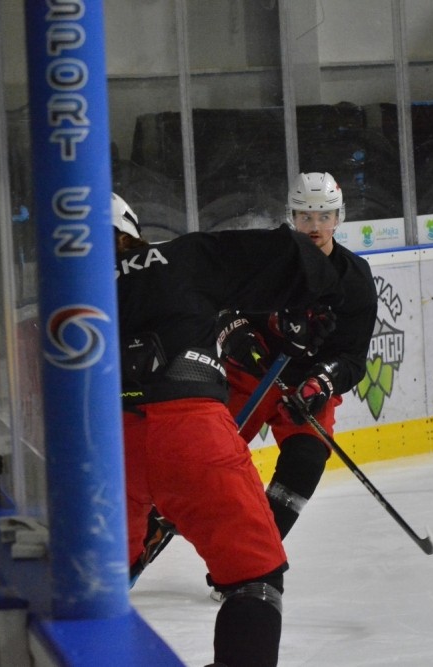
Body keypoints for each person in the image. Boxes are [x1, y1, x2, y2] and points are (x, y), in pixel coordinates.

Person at [111, 192, 340, 667]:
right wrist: (302, 309)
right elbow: (295, 255)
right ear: (132, 230)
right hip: (190, 431)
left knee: (97, 584)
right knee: (255, 577)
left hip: (105, 443)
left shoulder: (58, 291)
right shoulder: (180, 256)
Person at [223, 172, 378, 539]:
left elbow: (352, 358)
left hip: (305, 389)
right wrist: (234, 330)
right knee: (205, 456)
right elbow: (222, 305)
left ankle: (257, 552)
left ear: (339, 218)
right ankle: (149, 531)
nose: (315, 226)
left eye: (324, 216)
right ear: (291, 216)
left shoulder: (355, 277)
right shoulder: (266, 259)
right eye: (306, 216)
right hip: (250, 378)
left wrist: (322, 382)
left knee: (306, 460)